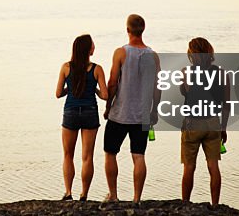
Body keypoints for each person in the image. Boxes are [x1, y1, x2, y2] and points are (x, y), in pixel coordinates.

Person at [103, 14, 160, 203]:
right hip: (142, 114)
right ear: (143, 29)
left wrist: (108, 105)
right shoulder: (153, 55)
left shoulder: (121, 52)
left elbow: (112, 82)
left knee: (111, 153)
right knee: (139, 155)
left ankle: (114, 195)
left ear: (127, 30)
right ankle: (137, 199)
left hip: (120, 113)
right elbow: (157, 86)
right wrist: (155, 111)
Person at [54, 34, 108, 201]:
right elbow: (105, 95)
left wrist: (70, 90)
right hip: (90, 112)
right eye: (92, 45)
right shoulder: (96, 69)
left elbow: (58, 94)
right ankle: (84, 194)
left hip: (70, 111)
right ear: (88, 49)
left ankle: (68, 192)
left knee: (68, 155)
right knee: (87, 156)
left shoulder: (66, 67)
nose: (94, 47)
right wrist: (95, 91)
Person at [179, 37, 230, 204]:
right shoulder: (222, 74)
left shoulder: (186, 72)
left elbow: (186, 93)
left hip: (192, 122)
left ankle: (185, 202)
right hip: (213, 122)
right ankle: (215, 204)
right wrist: (223, 127)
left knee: (189, 166)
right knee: (213, 166)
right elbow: (226, 105)